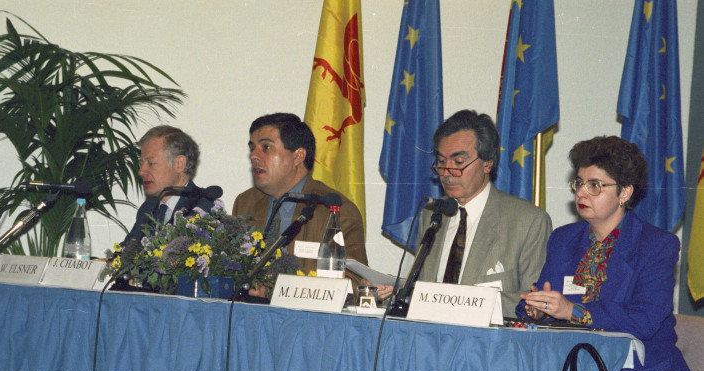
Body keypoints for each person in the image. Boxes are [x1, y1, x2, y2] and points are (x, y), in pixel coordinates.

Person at [519, 136, 704, 371]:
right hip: (567, 362)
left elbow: (646, 320)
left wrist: (574, 311)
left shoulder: (657, 245)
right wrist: (536, 309)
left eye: (595, 185)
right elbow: (538, 299)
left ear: (625, 193)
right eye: (579, 183)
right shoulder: (563, 239)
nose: (582, 194)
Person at [413, 109, 551, 317]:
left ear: (487, 163)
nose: (447, 172)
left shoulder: (528, 221)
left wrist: (465, 303)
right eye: (441, 162)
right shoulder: (431, 214)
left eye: (458, 162)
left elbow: (533, 301)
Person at [233, 113, 382, 293]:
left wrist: (276, 290)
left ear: (298, 156)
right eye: (252, 148)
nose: (254, 156)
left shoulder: (335, 209)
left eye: (265, 147)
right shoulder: (246, 203)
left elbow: (353, 281)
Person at [122, 126, 215, 245]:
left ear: (179, 164)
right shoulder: (148, 207)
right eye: (141, 164)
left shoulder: (202, 207)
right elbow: (125, 252)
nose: (141, 171)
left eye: (151, 163)